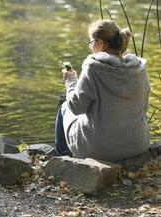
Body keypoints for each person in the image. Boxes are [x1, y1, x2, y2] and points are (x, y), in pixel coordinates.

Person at [55, 19, 150, 162]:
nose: (91, 46)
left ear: (101, 43)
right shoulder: (139, 68)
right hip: (137, 145)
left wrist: (71, 81)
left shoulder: (93, 67)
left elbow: (76, 107)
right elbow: (144, 107)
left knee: (64, 107)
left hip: (100, 149)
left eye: (91, 42)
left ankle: (64, 161)